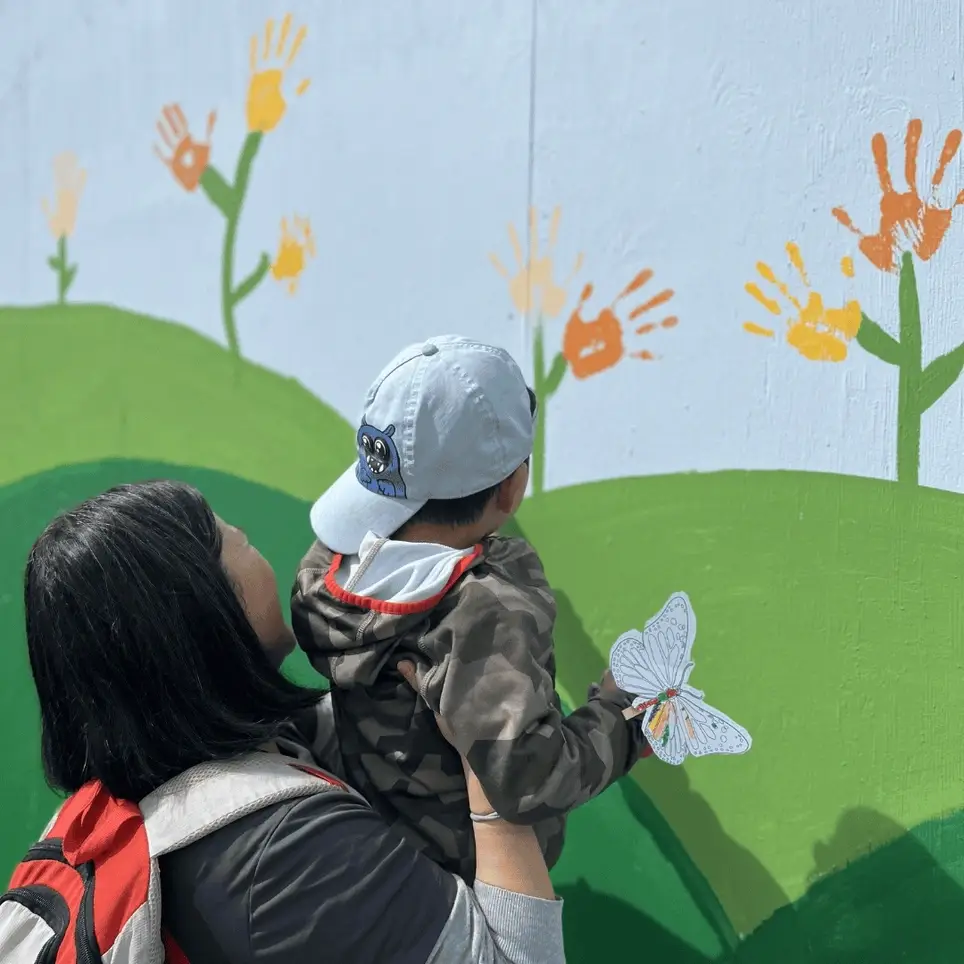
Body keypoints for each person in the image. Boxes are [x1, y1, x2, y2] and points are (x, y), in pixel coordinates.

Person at [18, 480, 566, 964]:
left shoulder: (109, 808)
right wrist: (492, 760)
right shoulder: (287, 856)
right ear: (209, 613)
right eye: (239, 541)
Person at [292, 334, 645, 882]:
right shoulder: (480, 613)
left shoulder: (326, 572)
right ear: (509, 490)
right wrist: (624, 721)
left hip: (382, 844)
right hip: (465, 879)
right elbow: (532, 777)